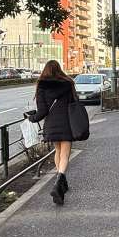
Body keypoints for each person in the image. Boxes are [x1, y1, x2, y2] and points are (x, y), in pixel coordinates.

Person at [27, 60, 77, 206]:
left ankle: (60, 180)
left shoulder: (41, 85)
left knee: (58, 151)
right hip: (67, 122)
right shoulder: (68, 83)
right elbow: (74, 102)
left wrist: (32, 118)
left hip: (52, 124)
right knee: (65, 154)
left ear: (45, 70)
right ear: (59, 69)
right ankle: (58, 184)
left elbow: (42, 111)